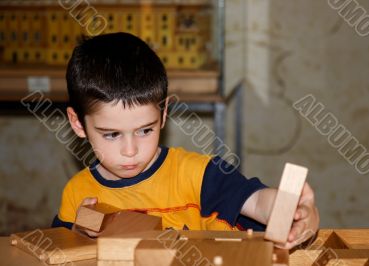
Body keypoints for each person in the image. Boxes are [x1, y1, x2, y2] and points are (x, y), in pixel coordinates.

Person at [52, 32, 319, 249]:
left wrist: (292, 210)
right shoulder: (77, 194)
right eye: (111, 134)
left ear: (164, 113)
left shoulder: (200, 175)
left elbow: (258, 203)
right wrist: (78, 236)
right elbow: (58, 251)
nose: (131, 150)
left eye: (145, 130)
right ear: (78, 123)